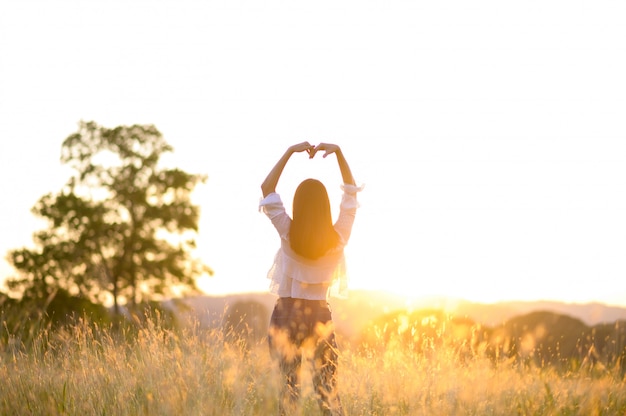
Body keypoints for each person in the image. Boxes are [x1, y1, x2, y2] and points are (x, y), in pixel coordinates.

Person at [259, 142, 361, 416]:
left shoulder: (288, 232)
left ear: (298, 205)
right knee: (327, 395)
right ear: (325, 206)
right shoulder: (338, 237)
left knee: (287, 395)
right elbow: (351, 194)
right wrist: (339, 153)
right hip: (319, 316)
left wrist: (290, 153)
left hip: (286, 314)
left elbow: (267, 189)